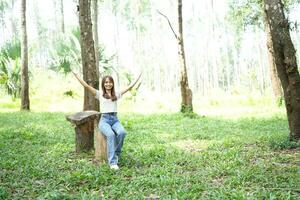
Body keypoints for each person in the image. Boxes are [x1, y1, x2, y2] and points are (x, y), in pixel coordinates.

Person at [72, 71, 142, 170]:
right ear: (103, 84)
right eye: (106, 82)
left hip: (115, 119)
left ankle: (116, 154)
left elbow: (130, 87)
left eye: (110, 82)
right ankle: (112, 162)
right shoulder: (99, 94)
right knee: (111, 135)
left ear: (112, 84)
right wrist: (76, 75)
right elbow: (87, 86)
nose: (108, 84)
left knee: (122, 133)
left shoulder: (117, 94)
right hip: (104, 120)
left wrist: (139, 75)